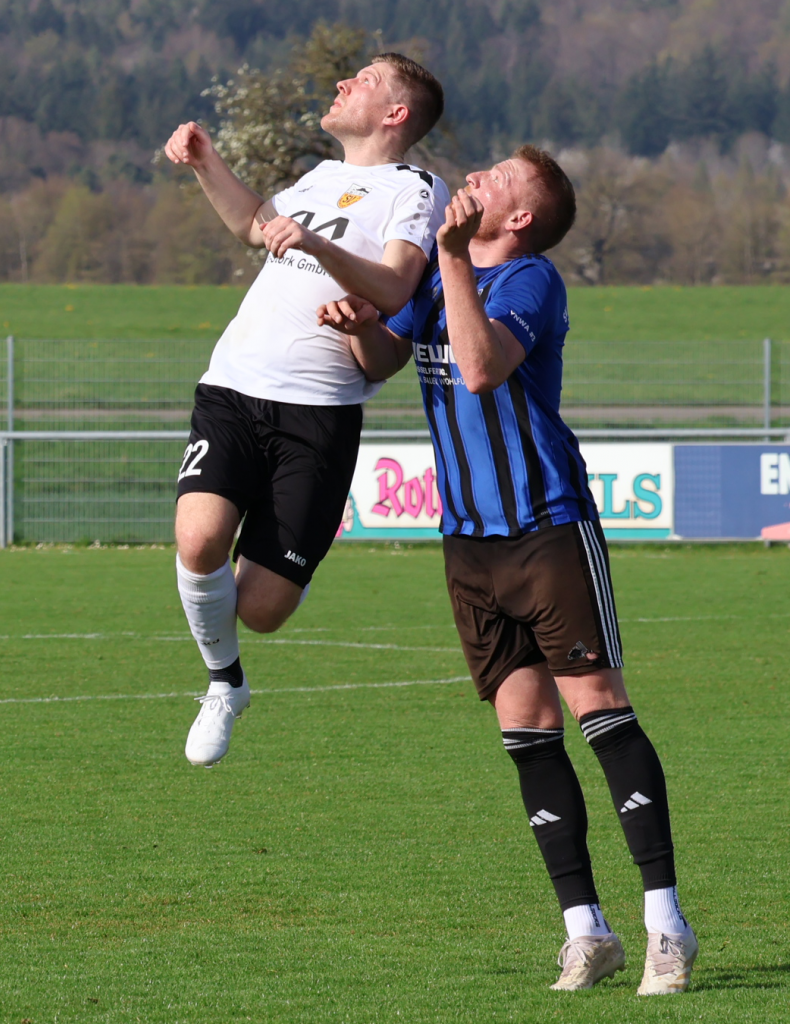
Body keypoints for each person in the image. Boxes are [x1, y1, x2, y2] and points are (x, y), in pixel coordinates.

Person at [316, 145, 698, 995]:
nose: (475, 178)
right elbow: (380, 362)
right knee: (525, 731)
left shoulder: (529, 280)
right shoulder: (433, 277)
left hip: (546, 528)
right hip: (467, 541)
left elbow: (481, 369)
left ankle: (666, 926)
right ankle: (585, 933)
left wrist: (450, 256)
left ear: (519, 218)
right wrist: (357, 325)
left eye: (495, 179)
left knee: (600, 712)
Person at [163, 54, 449, 768]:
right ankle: (223, 684)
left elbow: (394, 286)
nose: (344, 83)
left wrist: (317, 245)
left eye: (365, 80)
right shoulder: (319, 176)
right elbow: (255, 226)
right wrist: (205, 162)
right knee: (197, 541)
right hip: (233, 386)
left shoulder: (417, 188)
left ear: (396, 114)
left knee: (262, 611)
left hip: (318, 413)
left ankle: (278, 580)